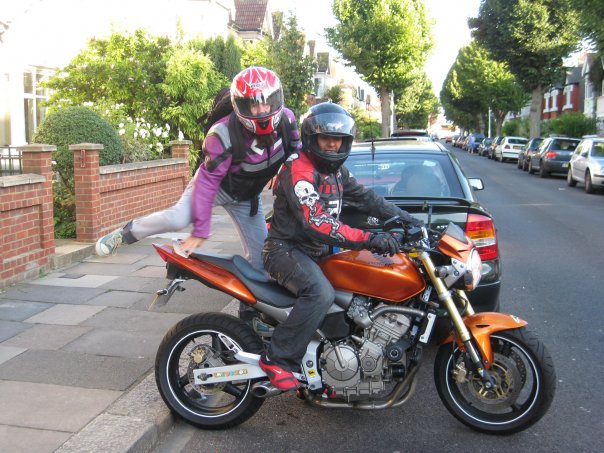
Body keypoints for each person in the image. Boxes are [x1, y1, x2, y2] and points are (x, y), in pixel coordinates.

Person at [95, 66, 301, 325]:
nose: (261, 111)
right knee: (178, 219)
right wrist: (201, 230)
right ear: (239, 106)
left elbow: (297, 150)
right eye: (252, 105)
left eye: (267, 102)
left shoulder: (288, 120)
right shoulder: (222, 133)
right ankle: (126, 233)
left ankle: (250, 318)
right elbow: (208, 183)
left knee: (261, 259)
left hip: (246, 197)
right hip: (214, 188)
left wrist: (285, 170)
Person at [258, 102, 422, 390]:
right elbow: (317, 222)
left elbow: (368, 199)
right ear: (312, 138)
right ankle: (278, 358)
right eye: (326, 138)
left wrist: (409, 221)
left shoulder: (337, 172)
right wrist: (368, 239)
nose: (333, 144)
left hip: (317, 252)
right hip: (286, 251)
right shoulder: (299, 168)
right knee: (320, 293)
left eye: (339, 139)